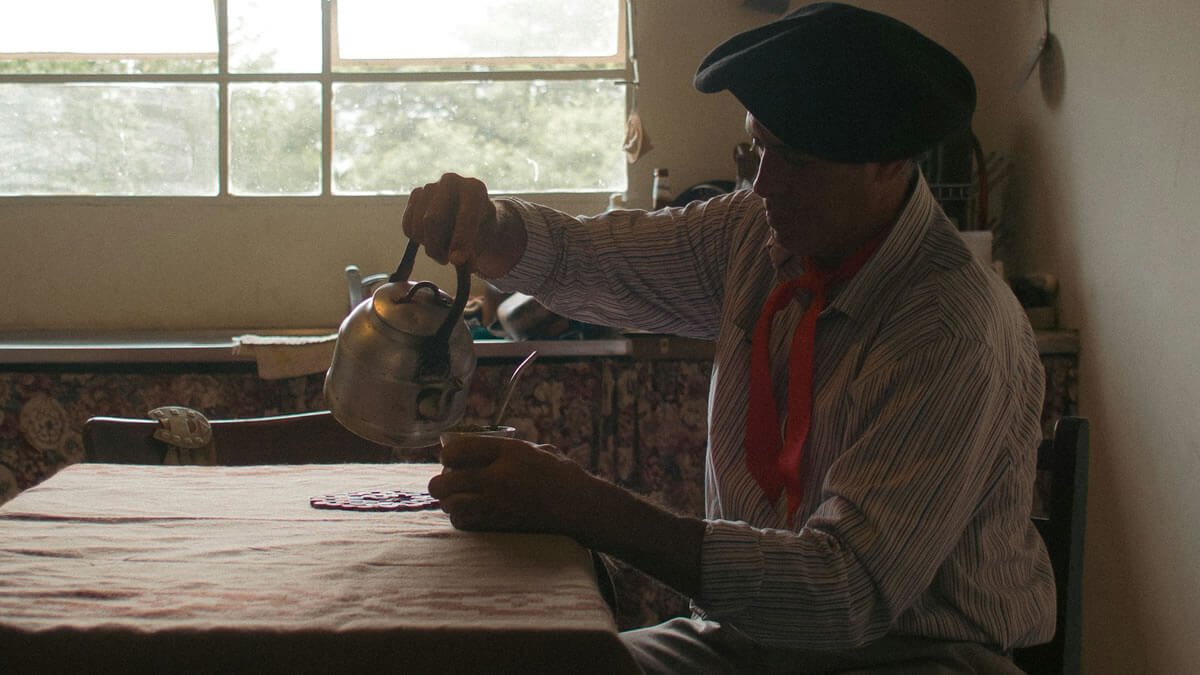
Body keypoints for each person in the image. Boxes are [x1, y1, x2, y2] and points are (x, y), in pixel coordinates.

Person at [404, 3, 1054, 672]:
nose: (762, 184)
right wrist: (490, 226)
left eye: (794, 159)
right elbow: (593, 259)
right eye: (756, 147)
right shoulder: (757, 236)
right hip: (742, 643)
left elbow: (845, 592)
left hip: (915, 656)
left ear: (886, 163)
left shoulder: (950, 324)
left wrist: (585, 506)